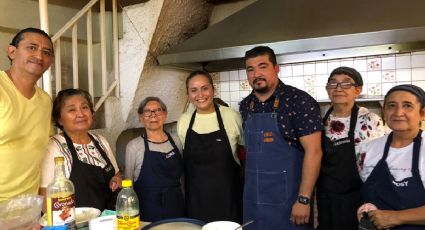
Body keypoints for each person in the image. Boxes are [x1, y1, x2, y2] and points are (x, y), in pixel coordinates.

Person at [239, 46, 323, 230]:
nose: (256, 74)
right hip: (253, 202)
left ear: (276, 68)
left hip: (290, 203)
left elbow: (314, 152)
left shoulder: (299, 101)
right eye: (250, 69)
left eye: (263, 66)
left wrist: (304, 199)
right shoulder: (246, 105)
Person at [316, 67, 386, 230]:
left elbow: (378, 164)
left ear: (358, 90)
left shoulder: (370, 120)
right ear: (327, 89)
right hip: (325, 195)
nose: (338, 88)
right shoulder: (318, 119)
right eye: (333, 83)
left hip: (358, 196)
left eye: (346, 83)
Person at [177, 70, 244, 223]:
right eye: (193, 90)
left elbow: (244, 153)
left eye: (204, 88)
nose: (200, 94)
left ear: (213, 90)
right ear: (188, 94)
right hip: (196, 202)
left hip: (229, 200)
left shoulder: (232, 116)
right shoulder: (184, 121)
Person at [40, 88, 121, 211]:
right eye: (72, 110)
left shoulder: (101, 141)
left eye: (84, 107)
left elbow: (116, 173)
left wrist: (116, 179)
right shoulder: (53, 147)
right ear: (60, 119)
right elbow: (46, 197)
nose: (81, 114)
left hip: (108, 221)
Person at [357, 84, 425, 229]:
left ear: (422, 113)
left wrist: (396, 217)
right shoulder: (368, 149)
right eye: (392, 105)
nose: (398, 112)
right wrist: (367, 208)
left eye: (407, 106)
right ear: (384, 111)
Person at [0, 28, 54, 201]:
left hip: (27, 206)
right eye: (32, 47)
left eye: (46, 52)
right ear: (12, 51)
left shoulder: (45, 101)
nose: (39, 56)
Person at [125, 97, 185, 222]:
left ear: (165, 115)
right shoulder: (134, 146)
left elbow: (182, 178)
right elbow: (128, 186)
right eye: (147, 111)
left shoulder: (176, 141)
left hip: (176, 206)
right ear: (141, 118)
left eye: (158, 110)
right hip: (148, 209)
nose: (153, 115)